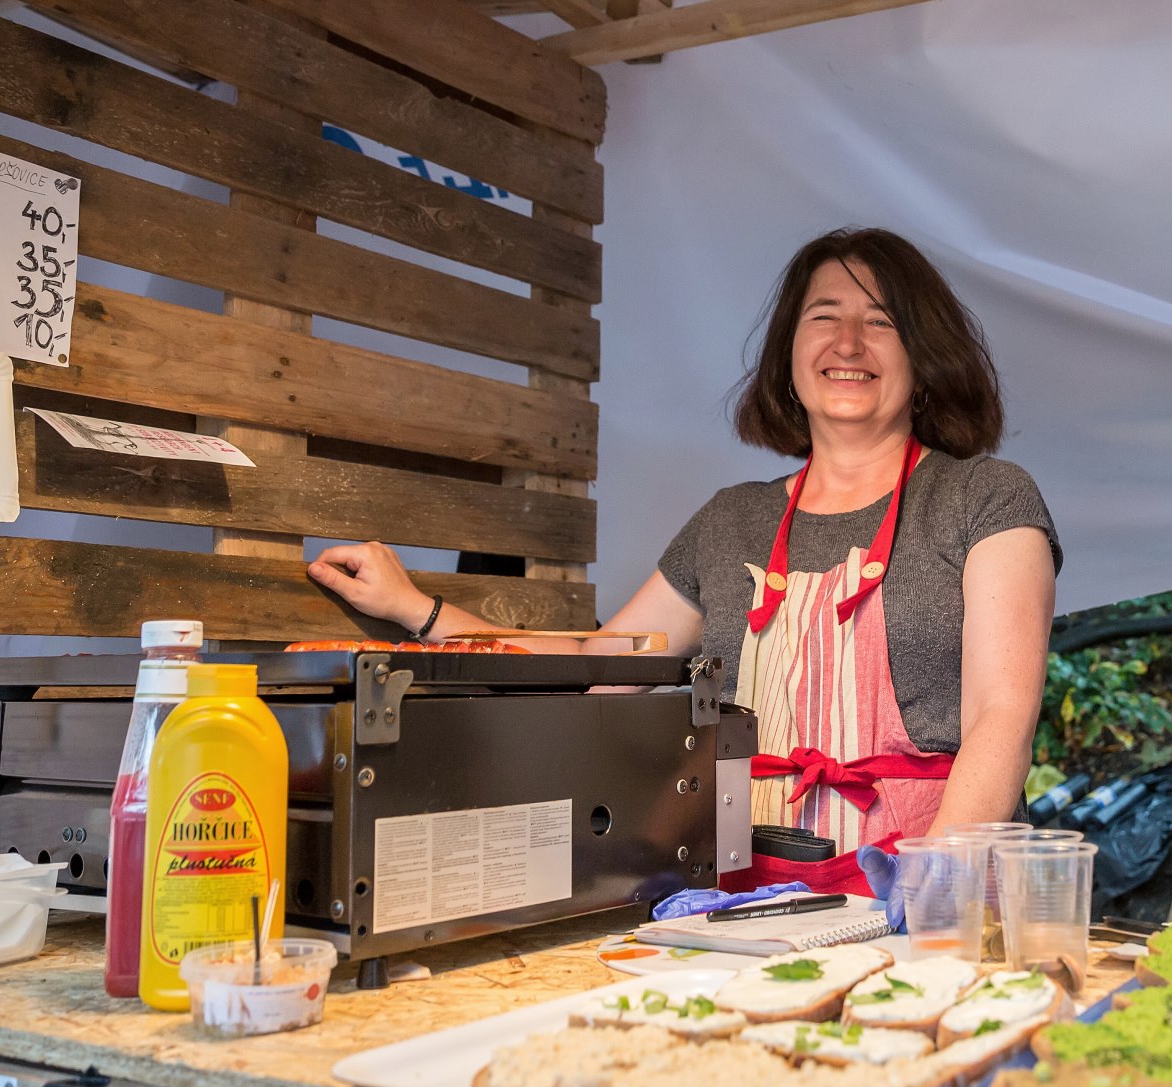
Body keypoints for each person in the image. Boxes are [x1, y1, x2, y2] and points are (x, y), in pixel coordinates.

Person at [309, 227, 1060, 894]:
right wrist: (419, 611)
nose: (849, 343)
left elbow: (1001, 716)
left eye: (882, 321)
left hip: (929, 899)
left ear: (924, 360)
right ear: (788, 356)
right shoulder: (731, 520)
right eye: (824, 317)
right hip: (748, 902)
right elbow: (598, 666)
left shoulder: (985, 498)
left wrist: (929, 899)